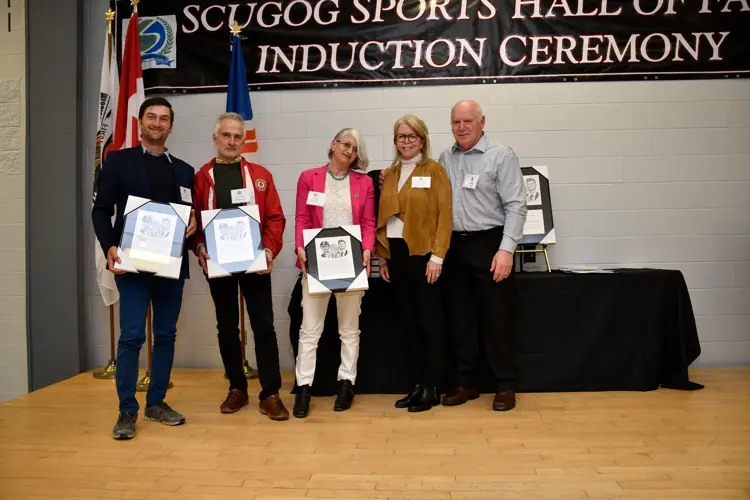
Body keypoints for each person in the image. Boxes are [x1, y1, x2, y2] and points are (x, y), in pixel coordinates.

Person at [92, 97, 197, 440]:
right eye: (151, 116)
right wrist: (109, 246)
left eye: (163, 118)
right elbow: (101, 210)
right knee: (132, 336)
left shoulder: (184, 171)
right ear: (140, 122)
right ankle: (126, 410)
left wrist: (193, 225)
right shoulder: (118, 162)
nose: (157, 123)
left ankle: (156, 403)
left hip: (171, 268)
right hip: (132, 267)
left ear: (171, 125)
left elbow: (188, 218)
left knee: (166, 335)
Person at [191, 112, 289, 420]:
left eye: (237, 137)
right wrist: (200, 247)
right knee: (227, 326)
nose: (232, 141)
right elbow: (192, 223)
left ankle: (270, 393)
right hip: (218, 264)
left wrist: (270, 250)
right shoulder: (201, 177)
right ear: (216, 138)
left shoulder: (260, 175)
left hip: (254, 262)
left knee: (263, 325)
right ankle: (236, 388)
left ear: (243, 141)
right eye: (226, 135)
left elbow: (275, 218)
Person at [438, 100, 527, 411]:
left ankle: (505, 385)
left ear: (481, 122)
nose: (461, 128)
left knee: (497, 320)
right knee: (462, 321)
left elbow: (516, 206)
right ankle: (466, 383)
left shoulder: (501, 155)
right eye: (456, 122)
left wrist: (506, 250)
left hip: (491, 245)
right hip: (455, 247)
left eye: (467, 121)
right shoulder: (445, 158)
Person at [293, 127, 375, 418]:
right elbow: (302, 217)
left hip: (351, 263)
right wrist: (300, 248)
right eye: (346, 145)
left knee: (349, 329)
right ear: (333, 144)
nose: (349, 151)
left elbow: (368, 221)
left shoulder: (363, 183)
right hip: (316, 262)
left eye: (355, 149)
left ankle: (346, 383)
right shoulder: (308, 178)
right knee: (310, 330)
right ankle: (303, 387)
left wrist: (367, 249)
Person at [375, 114, 452, 412]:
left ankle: (432, 388)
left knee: (429, 324)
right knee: (408, 324)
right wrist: (384, 257)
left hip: (424, 257)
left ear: (422, 140)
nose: (406, 142)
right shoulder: (391, 174)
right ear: (395, 141)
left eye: (411, 136)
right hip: (397, 256)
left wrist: (437, 257)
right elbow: (384, 217)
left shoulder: (434, 171)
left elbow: (445, 216)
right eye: (400, 137)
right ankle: (416, 385)